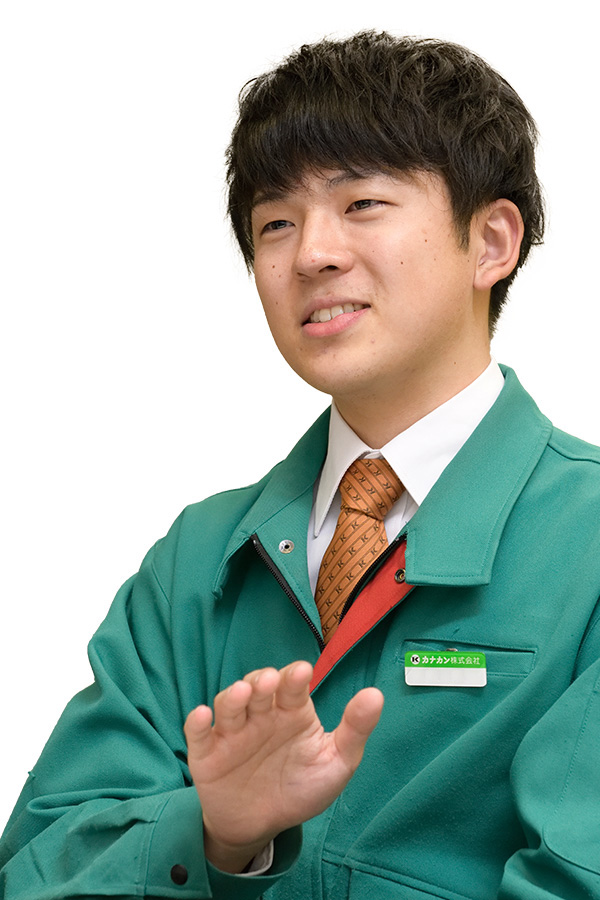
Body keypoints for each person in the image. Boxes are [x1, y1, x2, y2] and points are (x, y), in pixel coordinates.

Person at [1, 30, 599, 900]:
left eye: (362, 203)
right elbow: (35, 869)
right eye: (275, 222)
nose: (312, 252)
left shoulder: (588, 543)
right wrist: (216, 833)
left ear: (491, 241)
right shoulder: (196, 561)